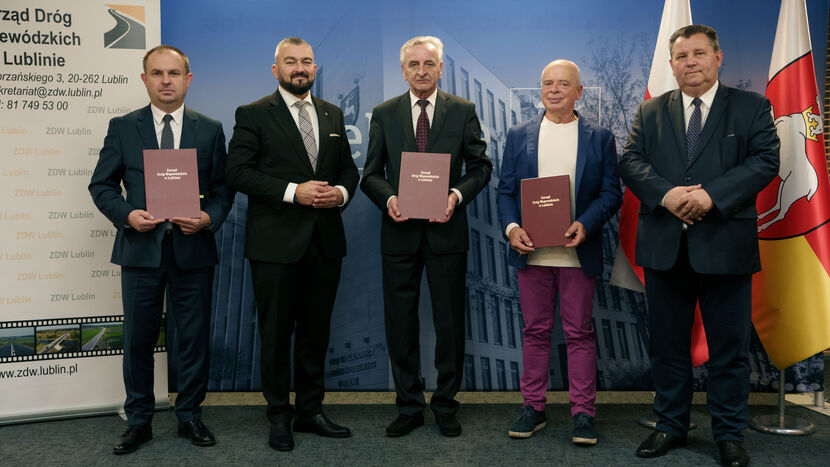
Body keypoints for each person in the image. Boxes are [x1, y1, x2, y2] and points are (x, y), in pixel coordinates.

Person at [618, 25, 779, 467]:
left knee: (729, 350)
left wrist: (711, 195)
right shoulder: (650, 111)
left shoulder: (751, 107)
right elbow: (630, 161)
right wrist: (668, 195)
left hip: (725, 246)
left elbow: (766, 160)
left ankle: (728, 433)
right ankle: (670, 425)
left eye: (699, 53)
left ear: (717, 57)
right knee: (667, 347)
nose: (690, 62)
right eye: (682, 56)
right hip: (665, 245)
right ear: (671, 64)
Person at [89, 45, 234, 454]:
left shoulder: (209, 128)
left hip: (193, 249)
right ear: (145, 79)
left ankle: (189, 415)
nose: (166, 80)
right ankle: (139, 421)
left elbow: (223, 189)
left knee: (193, 338)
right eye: (157, 73)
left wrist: (209, 218)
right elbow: (101, 186)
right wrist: (128, 214)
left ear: (189, 80)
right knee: (137, 340)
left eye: (174, 73)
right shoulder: (123, 127)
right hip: (140, 250)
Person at [225, 37, 359, 452]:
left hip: (324, 243)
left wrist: (340, 193)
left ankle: (310, 411)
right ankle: (279, 415)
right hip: (275, 246)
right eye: (290, 62)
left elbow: (349, 172)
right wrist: (291, 191)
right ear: (275, 69)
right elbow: (237, 173)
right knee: (276, 334)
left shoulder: (331, 113)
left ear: (315, 69)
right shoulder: (253, 114)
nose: (299, 68)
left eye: (306, 62)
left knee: (316, 334)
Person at [360, 35, 492, 438]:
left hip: (446, 233)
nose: (421, 71)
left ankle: (446, 405)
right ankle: (409, 405)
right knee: (400, 323)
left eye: (429, 64)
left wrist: (456, 195)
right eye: (413, 64)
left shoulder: (463, 110)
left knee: (450, 322)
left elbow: (481, 167)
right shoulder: (384, 114)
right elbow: (370, 175)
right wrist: (390, 200)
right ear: (404, 70)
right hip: (399, 234)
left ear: (440, 68)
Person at [496, 60, 621, 445]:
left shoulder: (600, 137)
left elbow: (611, 193)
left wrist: (586, 222)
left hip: (576, 253)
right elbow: (504, 192)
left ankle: (583, 413)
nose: (553, 90)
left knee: (579, 333)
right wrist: (512, 228)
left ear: (578, 92)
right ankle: (533, 407)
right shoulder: (519, 135)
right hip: (532, 253)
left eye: (563, 84)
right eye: (547, 83)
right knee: (534, 332)